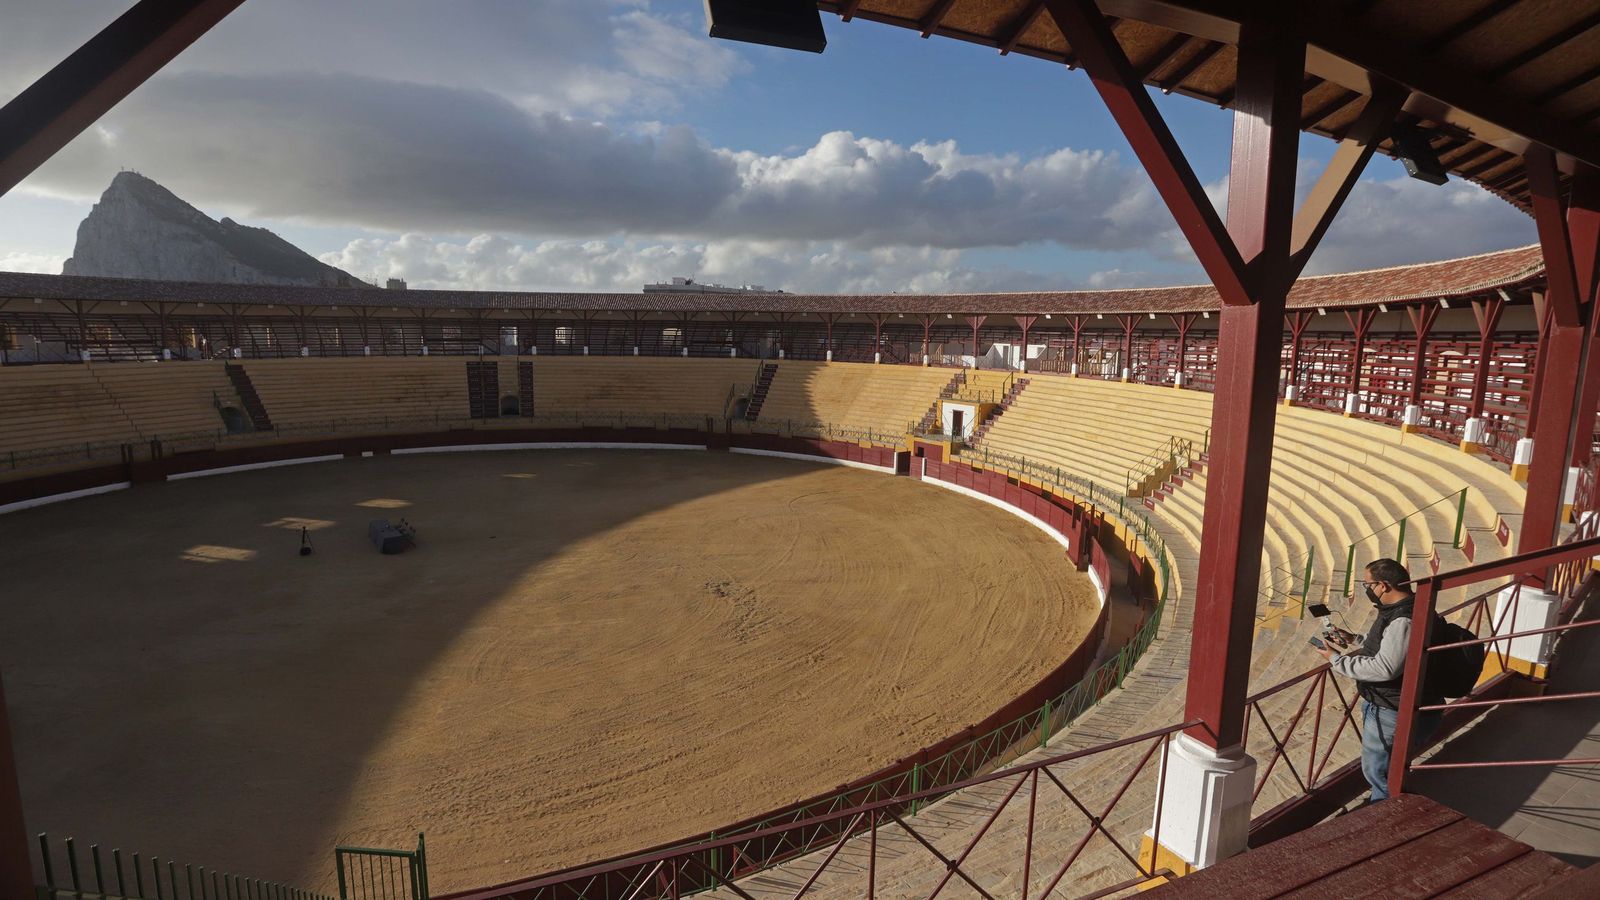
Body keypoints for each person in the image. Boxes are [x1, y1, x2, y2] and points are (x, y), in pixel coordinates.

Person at [1314, 557, 1443, 802]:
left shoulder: (1403, 619)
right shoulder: (1411, 607)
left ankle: (1385, 810)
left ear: (1383, 586)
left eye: (1367, 585)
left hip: (1390, 708)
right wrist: (1355, 639)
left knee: (1378, 771)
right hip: (1395, 703)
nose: (1367, 590)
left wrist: (1335, 659)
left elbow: (1385, 668)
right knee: (1387, 766)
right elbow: (1395, 646)